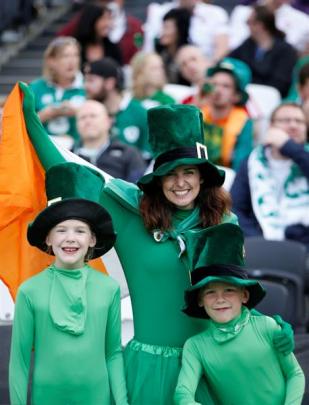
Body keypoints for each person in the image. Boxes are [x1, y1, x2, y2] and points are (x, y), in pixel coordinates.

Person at [19, 83, 294, 405]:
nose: (180, 183)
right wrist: (31, 121)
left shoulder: (224, 224)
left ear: (202, 176)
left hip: (210, 367)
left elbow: (230, 293)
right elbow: (68, 172)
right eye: (170, 174)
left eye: (189, 172)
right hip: (148, 369)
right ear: (157, 178)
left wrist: (267, 328)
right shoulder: (129, 213)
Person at [9, 163, 129, 405]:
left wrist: (123, 401)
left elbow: (113, 354)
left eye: (80, 230)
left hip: (97, 399)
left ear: (93, 239)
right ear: (48, 238)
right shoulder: (30, 291)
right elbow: (19, 362)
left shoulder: (108, 288)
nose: (70, 238)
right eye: (60, 230)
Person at [174, 223, 305, 404]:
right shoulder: (195, 346)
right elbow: (183, 394)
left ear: (244, 295)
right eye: (210, 292)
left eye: (228, 290)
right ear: (200, 300)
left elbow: (295, 374)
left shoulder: (267, 327)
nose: (220, 299)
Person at [231, 102, 309, 248]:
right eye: (285, 120)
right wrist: (259, 242)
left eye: (299, 121)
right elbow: (236, 209)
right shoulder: (252, 161)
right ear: (271, 127)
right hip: (259, 245)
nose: (293, 125)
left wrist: (289, 147)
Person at [83, 57, 152, 161]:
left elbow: (148, 155)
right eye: (85, 80)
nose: (85, 86)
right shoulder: (86, 112)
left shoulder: (140, 113)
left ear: (109, 83)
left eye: (91, 80)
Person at [229, 4, 298, 98]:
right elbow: (229, 60)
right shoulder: (247, 45)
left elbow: (281, 83)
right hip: (245, 96)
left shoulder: (286, 50)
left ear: (260, 25)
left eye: (249, 22)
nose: (247, 26)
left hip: (271, 98)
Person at [29, 36, 86, 148]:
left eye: (76, 55)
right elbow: (21, 124)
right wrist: (44, 115)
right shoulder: (35, 88)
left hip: (78, 151)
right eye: (65, 56)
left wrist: (78, 112)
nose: (72, 61)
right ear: (51, 61)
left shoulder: (87, 85)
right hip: (42, 150)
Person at [201, 57, 254, 171]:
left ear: (237, 96)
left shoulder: (244, 122)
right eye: (214, 84)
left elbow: (240, 166)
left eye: (226, 86)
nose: (217, 90)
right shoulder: (197, 115)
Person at [75, 99, 146, 182]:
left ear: (108, 121)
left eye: (93, 116)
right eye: (82, 117)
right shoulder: (67, 154)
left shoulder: (129, 154)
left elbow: (137, 189)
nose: (88, 121)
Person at [143, 0, 229, 65]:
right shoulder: (159, 11)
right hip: (166, 66)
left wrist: (207, 70)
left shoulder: (215, 13)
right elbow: (149, 49)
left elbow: (222, 48)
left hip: (205, 68)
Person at [155, 7, 191, 84]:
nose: (162, 32)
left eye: (167, 27)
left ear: (179, 30)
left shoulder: (190, 55)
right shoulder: (160, 53)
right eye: (163, 27)